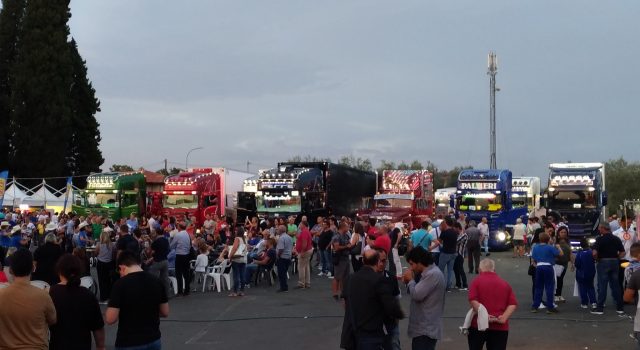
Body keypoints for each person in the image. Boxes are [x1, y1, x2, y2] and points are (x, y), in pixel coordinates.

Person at [341, 249, 404, 350]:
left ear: (363, 261)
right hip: (371, 332)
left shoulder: (350, 278)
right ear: (377, 261)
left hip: (352, 331)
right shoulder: (379, 280)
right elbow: (391, 306)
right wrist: (398, 314)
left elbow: (345, 303)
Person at [106, 250, 169, 350]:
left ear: (121, 267)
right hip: (153, 339)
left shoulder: (120, 284)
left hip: (129, 341)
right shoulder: (156, 281)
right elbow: (165, 312)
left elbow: (110, 319)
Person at [0, 248, 57, 349]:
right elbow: (52, 320)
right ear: (33, 268)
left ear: (10, 270)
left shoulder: (2, 295)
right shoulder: (43, 296)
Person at [49, 254, 105, 350]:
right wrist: (100, 347)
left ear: (59, 271)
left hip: (57, 344)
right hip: (82, 345)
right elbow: (98, 327)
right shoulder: (88, 295)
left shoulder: (50, 293)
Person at [465, 259, 517, 350]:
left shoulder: (476, 282)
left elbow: (472, 300)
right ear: (494, 270)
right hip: (499, 326)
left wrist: (483, 315)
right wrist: (504, 317)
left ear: (480, 270)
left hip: (478, 325)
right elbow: (513, 304)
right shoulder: (505, 284)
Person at [402, 246, 445, 350]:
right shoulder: (427, 273)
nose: (411, 268)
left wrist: (410, 281)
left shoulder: (433, 274)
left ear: (420, 261)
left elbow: (417, 294)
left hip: (425, 329)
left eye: (412, 264)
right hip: (423, 328)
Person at [591, 221, 625, 315]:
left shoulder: (599, 239)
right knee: (616, 285)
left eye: (599, 228)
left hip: (603, 262)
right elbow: (623, 252)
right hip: (614, 262)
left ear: (603, 228)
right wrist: (617, 259)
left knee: (602, 286)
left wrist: (597, 259)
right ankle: (620, 307)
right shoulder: (616, 238)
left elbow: (594, 253)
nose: (598, 229)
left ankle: (600, 308)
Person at [531, 232, 562, 313]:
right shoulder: (550, 247)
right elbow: (560, 254)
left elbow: (533, 258)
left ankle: (535, 306)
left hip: (539, 267)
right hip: (548, 267)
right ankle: (550, 307)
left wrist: (535, 264)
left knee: (538, 287)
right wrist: (558, 247)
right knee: (549, 287)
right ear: (548, 239)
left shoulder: (536, 247)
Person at [170, 222, 192, 297]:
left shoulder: (178, 235)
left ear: (179, 227)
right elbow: (190, 245)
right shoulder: (187, 234)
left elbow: (172, 245)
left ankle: (180, 291)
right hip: (186, 255)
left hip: (179, 255)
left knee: (178, 274)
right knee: (186, 273)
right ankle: (187, 290)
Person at [332, 222, 352, 301]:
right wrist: (346, 246)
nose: (348, 228)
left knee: (345, 277)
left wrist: (349, 246)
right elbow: (336, 248)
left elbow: (349, 243)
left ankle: (343, 293)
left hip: (346, 258)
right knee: (337, 277)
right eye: (347, 227)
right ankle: (335, 293)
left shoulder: (346, 235)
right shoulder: (336, 236)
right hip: (339, 259)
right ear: (343, 227)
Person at [575, 238, 597, 308]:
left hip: (581, 273)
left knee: (582, 287)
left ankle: (584, 303)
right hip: (591, 272)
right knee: (590, 287)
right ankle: (593, 302)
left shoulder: (579, 253)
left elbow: (577, 264)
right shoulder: (591, 252)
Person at [437, 217, 458, 292]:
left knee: (441, 269)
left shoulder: (444, 232)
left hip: (445, 252)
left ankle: (441, 285)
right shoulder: (454, 232)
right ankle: (448, 285)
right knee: (450, 270)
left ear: (446, 223)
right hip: (453, 253)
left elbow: (439, 241)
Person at [95, 230, 115, 304]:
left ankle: (103, 298)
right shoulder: (112, 244)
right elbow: (113, 255)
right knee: (108, 280)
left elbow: (96, 253)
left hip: (101, 263)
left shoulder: (99, 244)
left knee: (101, 280)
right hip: (109, 263)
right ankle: (109, 296)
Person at [554, 226, 572, 303]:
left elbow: (570, 252)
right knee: (557, 279)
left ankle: (559, 295)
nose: (563, 234)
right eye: (562, 232)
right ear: (558, 233)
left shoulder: (568, 241)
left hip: (564, 264)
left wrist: (572, 262)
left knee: (561, 280)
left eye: (565, 232)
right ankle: (555, 295)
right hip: (556, 264)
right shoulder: (555, 241)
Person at [228, 226, 247, 297]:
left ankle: (235, 292)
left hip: (236, 259)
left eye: (236, 230)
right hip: (243, 259)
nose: (235, 231)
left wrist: (230, 255)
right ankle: (242, 291)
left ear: (238, 232)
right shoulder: (245, 239)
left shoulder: (237, 238)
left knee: (236, 275)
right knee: (242, 275)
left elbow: (235, 248)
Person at [296, 221, 313, 289]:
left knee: (301, 267)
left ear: (303, 225)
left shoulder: (304, 232)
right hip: (308, 250)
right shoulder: (305, 231)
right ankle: (307, 283)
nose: (299, 225)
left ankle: (301, 283)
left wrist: (302, 251)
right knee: (306, 267)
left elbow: (304, 243)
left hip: (305, 251)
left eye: (300, 224)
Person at [276, 224, 293, 292]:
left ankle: (284, 287)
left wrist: (278, 255)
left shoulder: (281, 238)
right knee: (284, 272)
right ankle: (284, 286)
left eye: (278, 229)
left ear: (280, 231)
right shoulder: (289, 237)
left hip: (282, 257)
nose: (277, 230)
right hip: (288, 257)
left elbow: (281, 249)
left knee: (281, 273)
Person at [454, 221, 469, 290]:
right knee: (455, 269)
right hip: (455, 254)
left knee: (460, 269)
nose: (454, 230)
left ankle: (465, 285)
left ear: (457, 228)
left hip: (460, 254)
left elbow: (456, 242)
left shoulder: (464, 235)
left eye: (454, 228)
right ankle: (458, 284)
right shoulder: (457, 234)